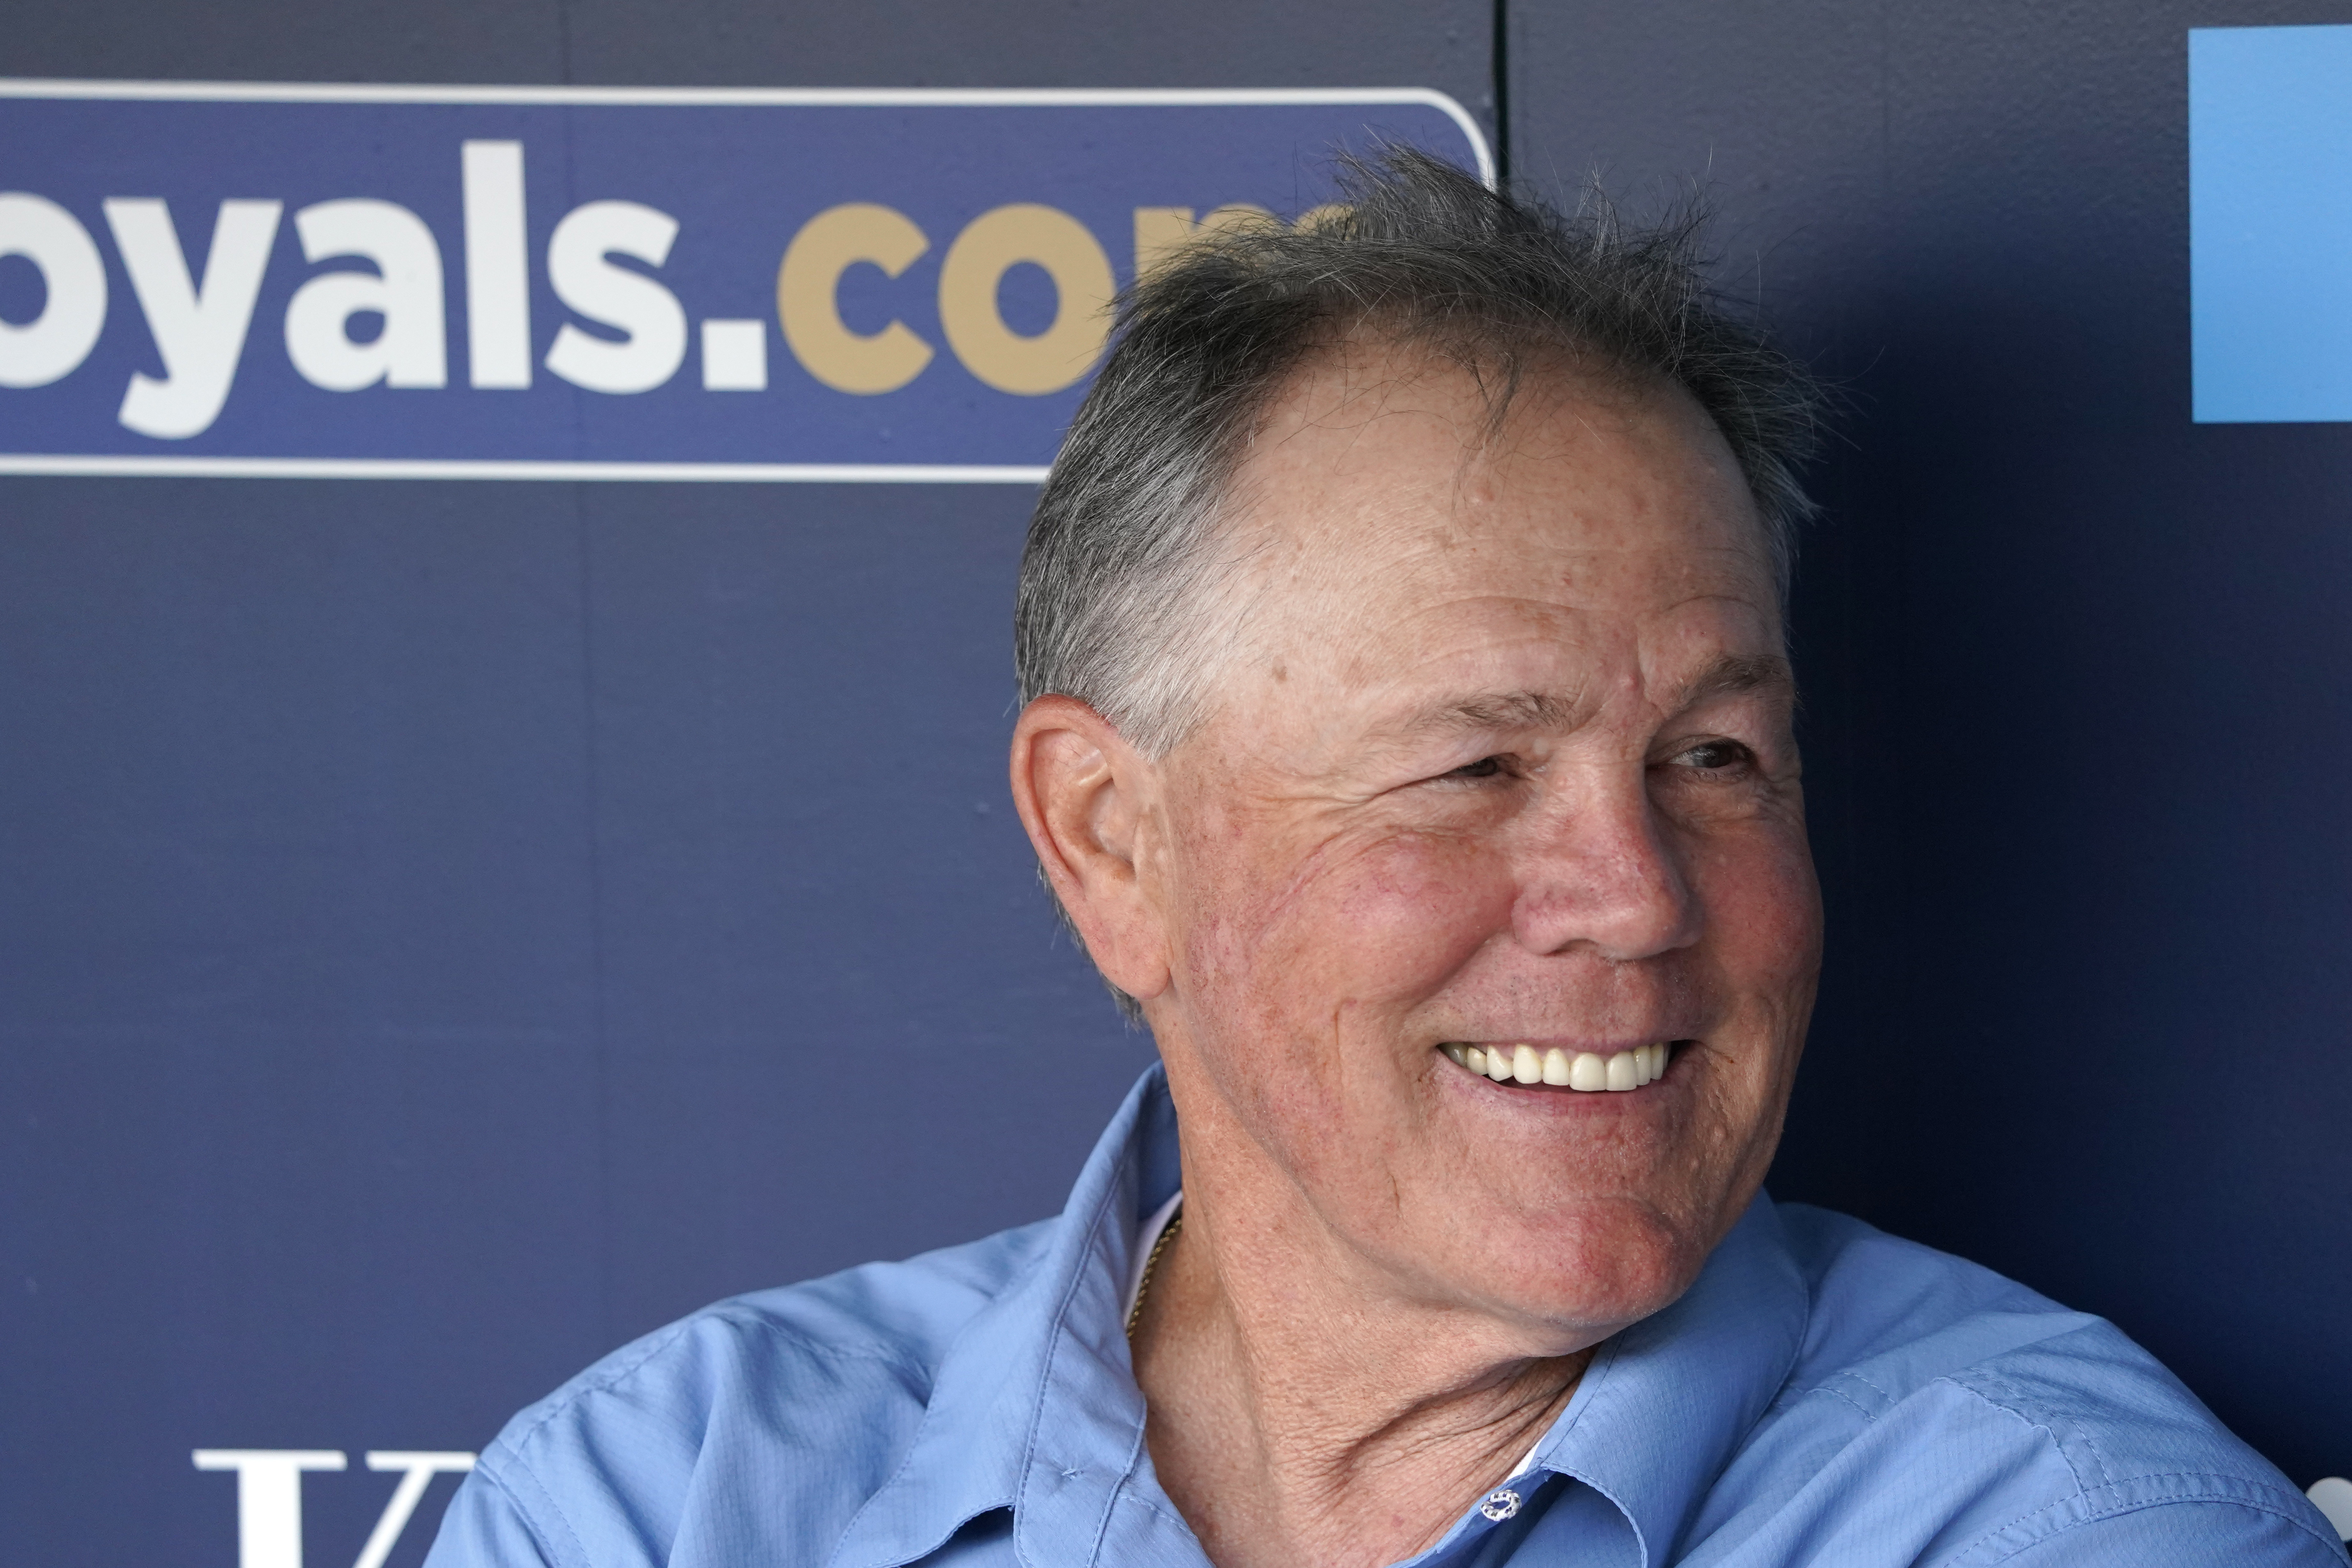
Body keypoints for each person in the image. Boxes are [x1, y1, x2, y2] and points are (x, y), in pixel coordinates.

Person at [419, 152, 2349, 1568]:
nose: (1637, 891)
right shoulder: (652, 1504)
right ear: (1114, 842)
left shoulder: (2074, 1530)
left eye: (1714, 756)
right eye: (1472, 762)